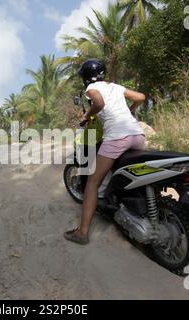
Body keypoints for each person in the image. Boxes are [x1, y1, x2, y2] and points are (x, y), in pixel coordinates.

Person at [64, 58, 147, 245]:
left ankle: (82, 233)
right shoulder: (115, 86)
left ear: (86, 78)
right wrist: (131, 111)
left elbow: (99, 103)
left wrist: (87, 114)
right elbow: (141, 97)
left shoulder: (90, 90)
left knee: (92, 183)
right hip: (137, 135)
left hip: (117, 137)